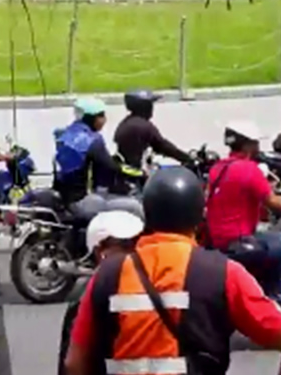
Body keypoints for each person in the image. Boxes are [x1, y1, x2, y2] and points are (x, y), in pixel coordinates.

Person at [64, 166, 281, 375]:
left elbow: (74, 362)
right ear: (199, 216)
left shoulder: (108, 274)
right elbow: (273, 329)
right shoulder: (223, 272)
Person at [57, 210, 144, 375]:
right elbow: (72, 362)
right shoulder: (88, 292)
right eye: (123, 246)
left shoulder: (151, 282)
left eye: (134, 244)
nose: (131, 252)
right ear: (99, 251)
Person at [204, 121, 281, 296]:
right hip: (239, 243)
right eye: (256, 143)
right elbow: (273, 203)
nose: (258, 147)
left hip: (218, 242)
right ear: (248, 145)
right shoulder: (249, 169)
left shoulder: (218, 168)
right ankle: (274, 297)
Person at [53, 98, 122, 203]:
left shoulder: (63, 134)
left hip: (62, 196)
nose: (104, 120)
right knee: (132, 207)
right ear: (90, 118)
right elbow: (110, 167)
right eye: (101, 115)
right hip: (81, 200)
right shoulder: (93, 140)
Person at [113, 89, 191, 169]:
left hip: (126, 169)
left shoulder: (127, 122)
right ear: (144, 107)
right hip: (136, 172)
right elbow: (163, 146)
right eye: (150, 105)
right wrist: (187, 158)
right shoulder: (143, 126)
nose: (152, 108)